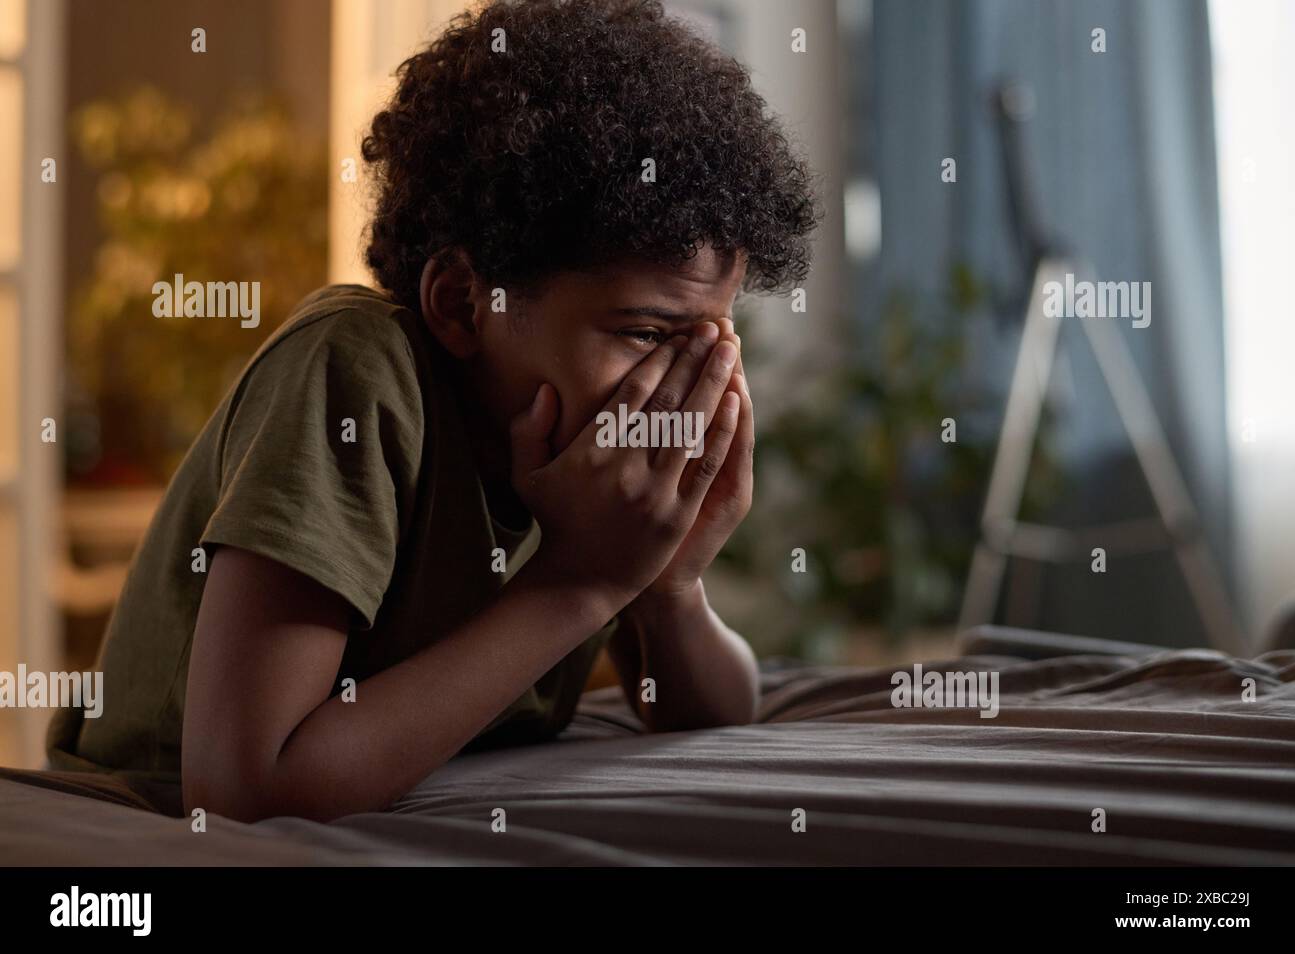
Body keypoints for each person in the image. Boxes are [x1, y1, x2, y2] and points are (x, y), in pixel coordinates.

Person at [47, 0, 821, 823]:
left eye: (710, 337)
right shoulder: (354, 369)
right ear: (461, 301)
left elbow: (710, 712)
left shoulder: (584, 468)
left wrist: (667, 583)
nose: (685, 379)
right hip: (140, 813)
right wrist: (582, 581)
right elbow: (246, 789)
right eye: (641, 333)